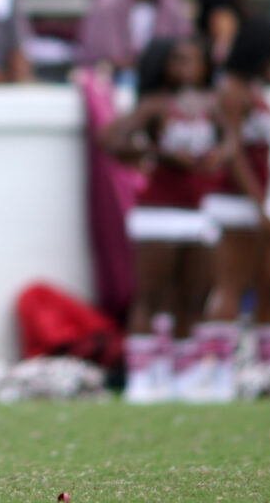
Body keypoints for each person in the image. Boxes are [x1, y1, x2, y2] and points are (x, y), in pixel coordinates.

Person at [102, 36, 230, 402]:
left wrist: (219, 154)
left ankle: (184, 375)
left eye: (192, 60)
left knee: (193, 297)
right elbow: (110, 136)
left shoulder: (211, 105)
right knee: (151, 296)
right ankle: (142, 378)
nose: (185, 68)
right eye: (177, 60)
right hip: (157, 210)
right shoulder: (156, 104)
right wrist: (155, 152)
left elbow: (230, 140)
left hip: (197, 211)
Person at [199, 16, 270, 401]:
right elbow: (235, 157)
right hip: (235, 200)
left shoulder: (254, 89)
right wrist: (258, 206)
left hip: (259, 199)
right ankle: (215, 375)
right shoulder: (231, 90)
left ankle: (266, 371)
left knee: (269, 286)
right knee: (230, 287)